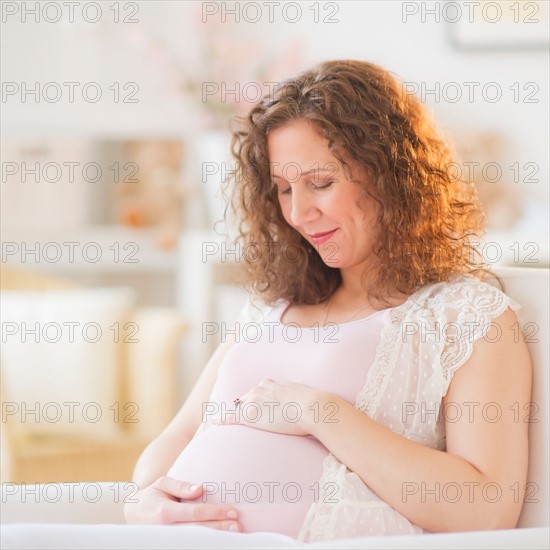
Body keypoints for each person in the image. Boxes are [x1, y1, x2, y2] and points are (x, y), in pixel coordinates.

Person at [124, 60, 532, 541]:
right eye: (283, 190)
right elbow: (180, 435)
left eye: (321, 183)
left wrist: (322, 414)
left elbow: (487, 509)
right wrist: (143, 500)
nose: (299, 212)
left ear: (390, 173)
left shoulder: (467, 317)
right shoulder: (270, 306)